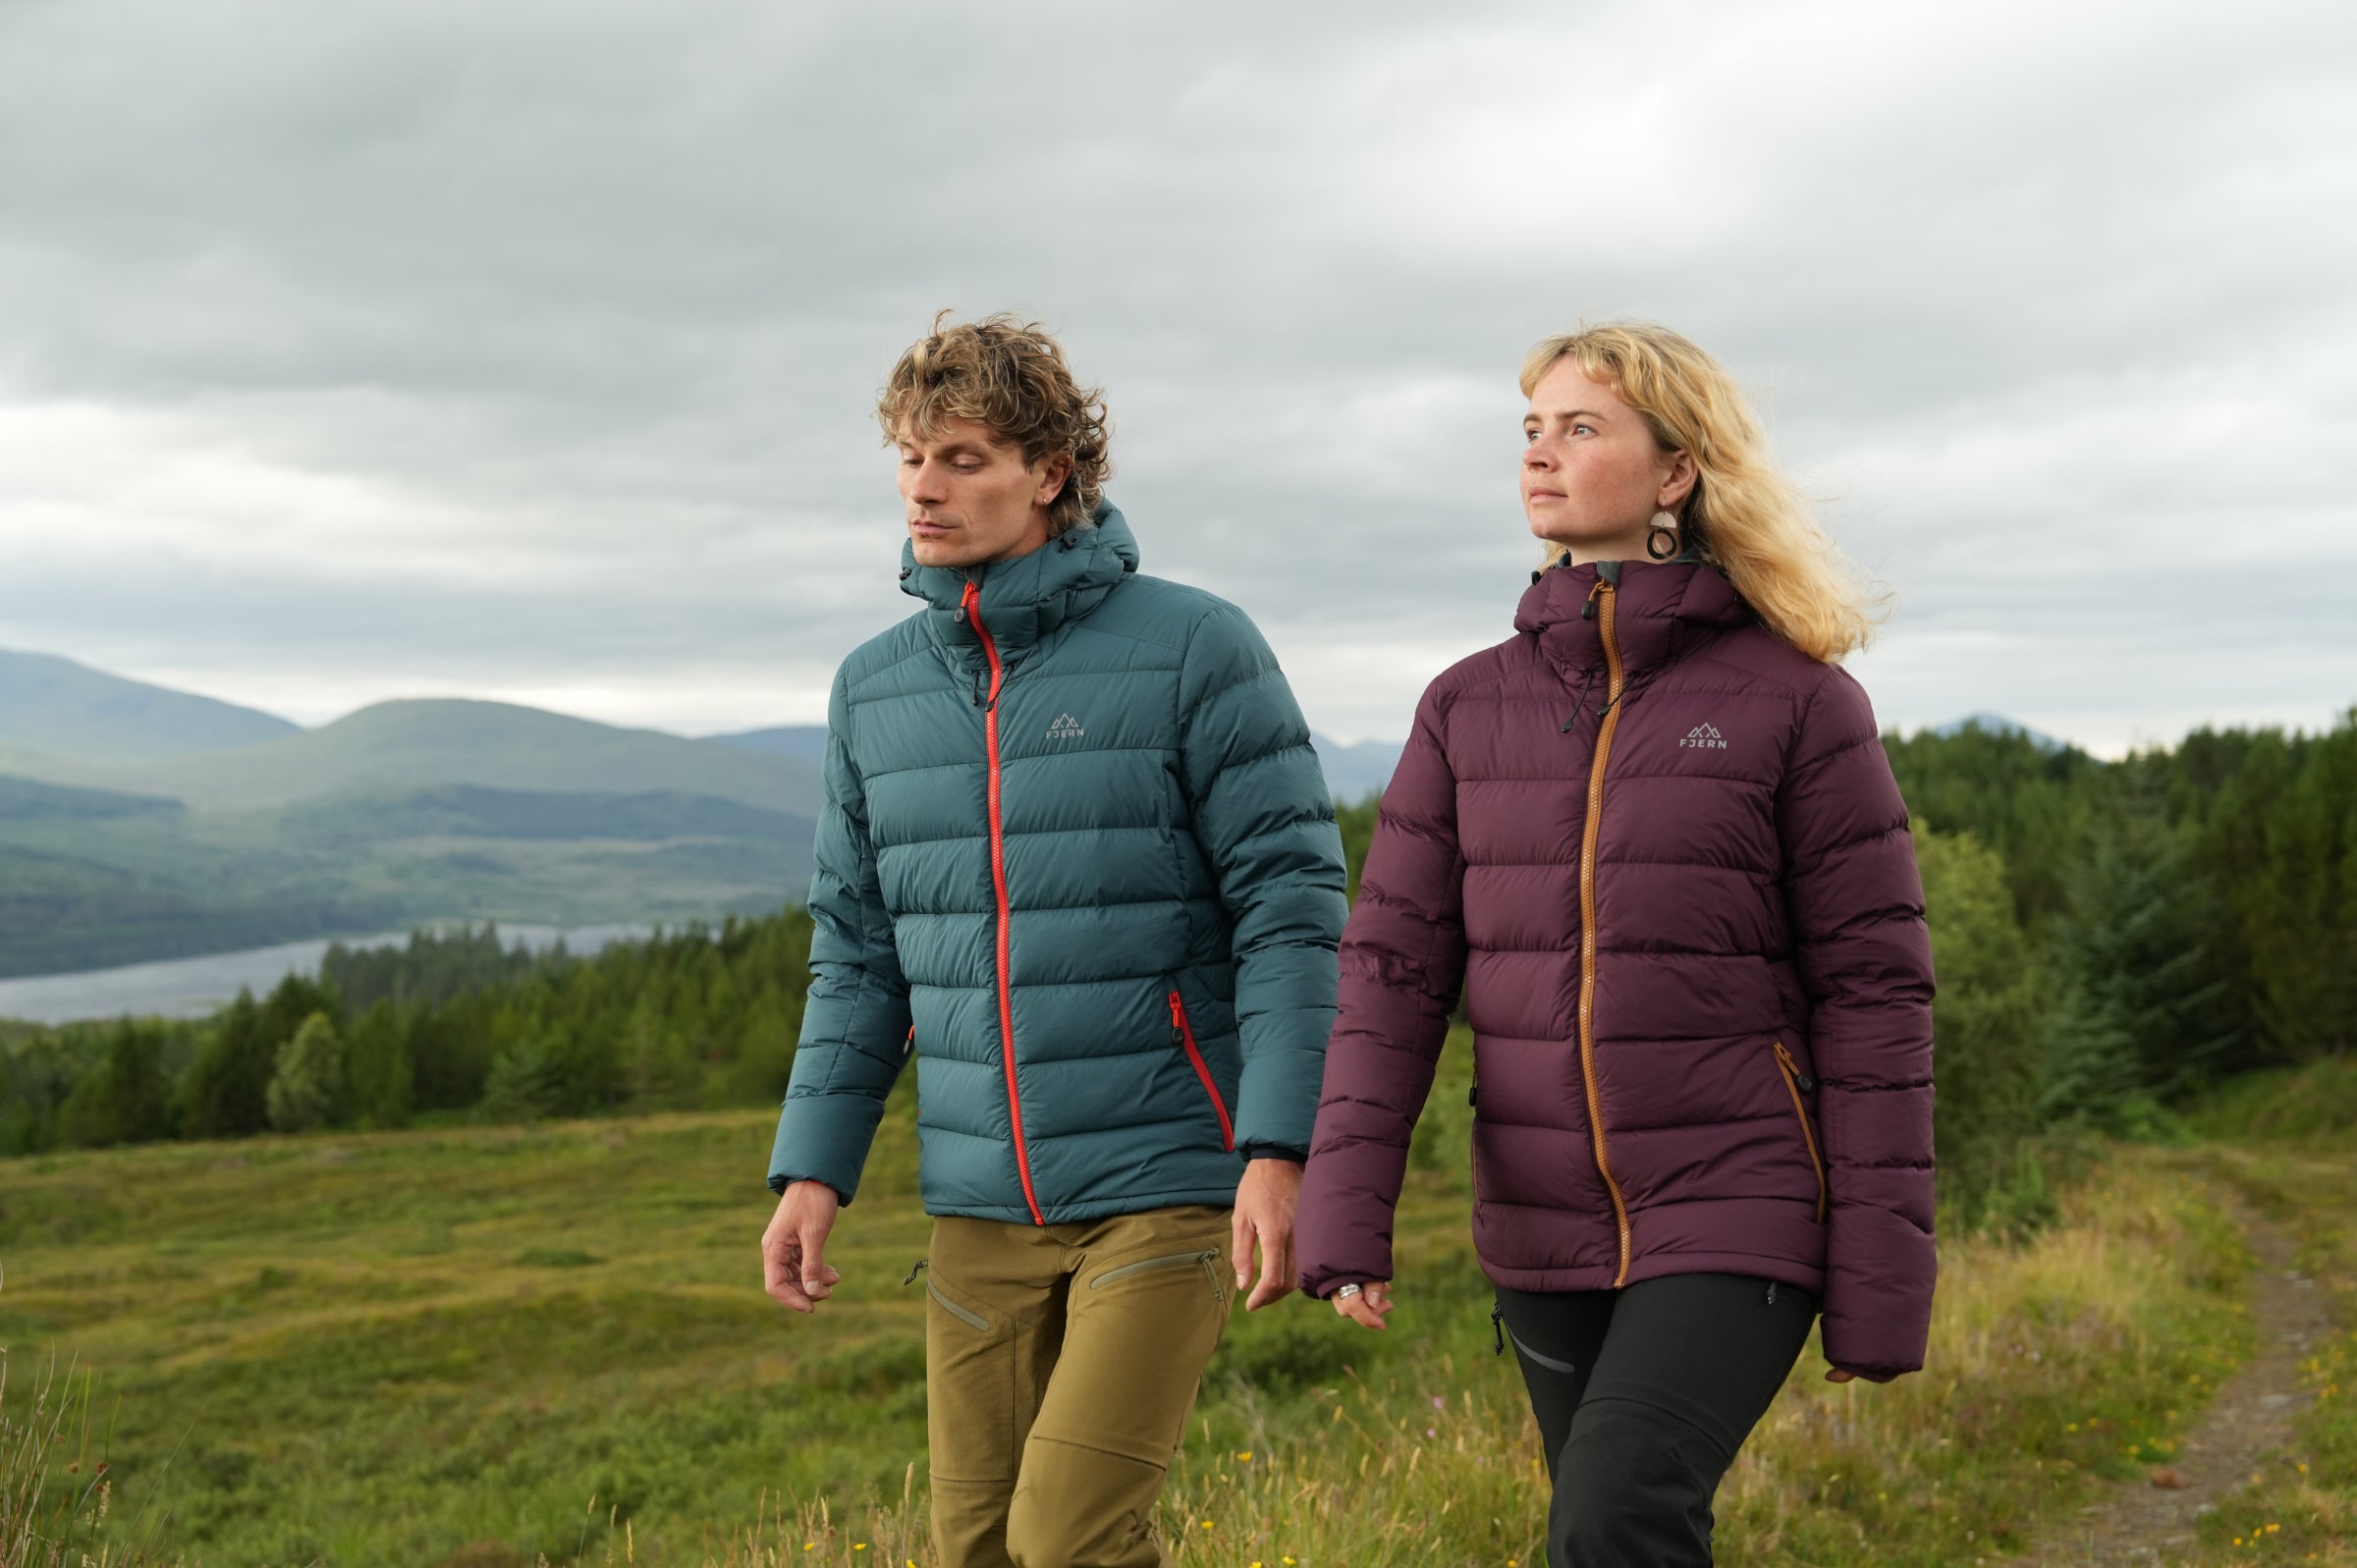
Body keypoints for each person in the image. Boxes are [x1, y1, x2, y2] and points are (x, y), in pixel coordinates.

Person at [1293, 322, 1937, 1566]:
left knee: (1614, 1518)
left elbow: (1875, 995)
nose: (1540, 453)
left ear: (1676, 470)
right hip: (1538, 1216)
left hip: (1738, 1198)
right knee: (1610, 1534)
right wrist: (1346, 1209)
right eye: (1531, 429)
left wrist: (1879, 1275)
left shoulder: (1799, 702)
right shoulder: (1466, 703)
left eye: (1579, 427)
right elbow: (1391, 975)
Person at [761, 313, 1346, 1568]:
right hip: (979, 1203)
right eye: (913, 456)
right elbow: (861, 955)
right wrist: (814, 1167)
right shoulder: (875, 687)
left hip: (1166, 1177)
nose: (927, 485)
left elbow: (1292, 914)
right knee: (974, 1549)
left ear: (1050, 474)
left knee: (1069, 1536)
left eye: (965, 456)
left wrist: (1282, 1145)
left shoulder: (1195, 644)